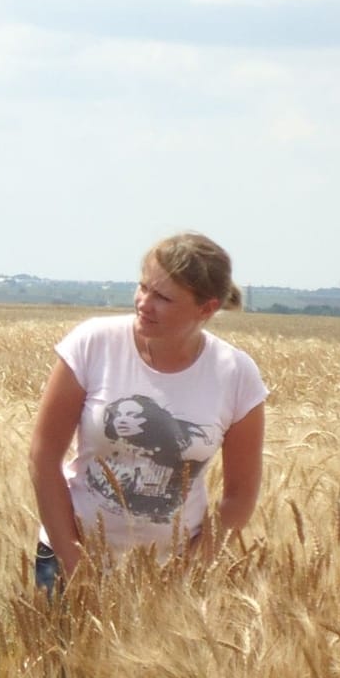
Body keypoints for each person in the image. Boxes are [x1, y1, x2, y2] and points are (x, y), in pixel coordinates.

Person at [29, 233, 267, 591]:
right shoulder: (93, 343)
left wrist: (190, 570)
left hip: (172, 574)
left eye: (163, 298)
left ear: (207, 308)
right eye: (143, 287)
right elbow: (43, 455)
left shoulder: (236, 374)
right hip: (67, 557)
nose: (144, 303)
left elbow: (239, 496)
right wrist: (73, 558)